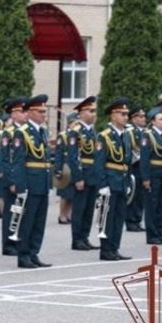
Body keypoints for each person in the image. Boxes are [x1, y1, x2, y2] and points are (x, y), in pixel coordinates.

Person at [10, 95, 53, 268]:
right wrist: (21, 186)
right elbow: (19, 161)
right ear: (29, 112)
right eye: (40, 111)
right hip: (30, 182)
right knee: (27, 221)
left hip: (41, 182)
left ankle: (34, 252)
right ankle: (24, 255)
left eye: (44, 111)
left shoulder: (42, 131)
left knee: (39, 222)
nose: (44, 114)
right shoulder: (22, 132)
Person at [95, 98, 134, 261]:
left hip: (122, 180)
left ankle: (114, 248)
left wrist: (128, 182)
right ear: (113, 115)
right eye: (122, 114)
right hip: (110, 180)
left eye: (127, 114)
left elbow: (127, 160)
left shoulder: (125, 135)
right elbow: (99, 163)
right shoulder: (104, 136)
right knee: (107, 217)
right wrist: (103, 185)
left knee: (119, 217)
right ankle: (105, 250)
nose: (126, 117)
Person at [67, 96, 101, 251]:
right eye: (90, 111)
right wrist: (78, 177)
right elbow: (74, 157)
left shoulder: (92, 131)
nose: (93, 114)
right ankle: (77, 239)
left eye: (94, 111)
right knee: (80, 208)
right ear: (81, 113)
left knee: (89, 209)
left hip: (93, 174)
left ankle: (85, 237)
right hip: (83, 173)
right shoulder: (76, 132)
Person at [0, 97, 28, 256]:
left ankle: (19, 240)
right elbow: (4, 159)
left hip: (24, 177)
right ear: (14, 114)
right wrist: (11, 180)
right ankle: (9, 244)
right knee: (12, 211)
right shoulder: (8, 133)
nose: (25, 115)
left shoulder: (26, 132)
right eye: (22, 112)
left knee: (22, 211)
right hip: (12, 178)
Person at [140, 106, 162, 245]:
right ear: (153, 121)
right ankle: (152, 235)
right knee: (152, 205)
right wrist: (145, 177)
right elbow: (144, 158)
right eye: (161, 119)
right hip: (153, 173)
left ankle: (159, 232)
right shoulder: (148, 135)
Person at [54, 111, 79, 225]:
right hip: (65, 167)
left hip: (75, 167)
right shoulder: (63, 135)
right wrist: (58, 169)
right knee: (65, 194)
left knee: (73, 194)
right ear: (69, 124)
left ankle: (69, 215)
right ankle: (61, 215)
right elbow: (59, 154)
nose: (77, 125)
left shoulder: (80, 135)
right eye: (75, 123)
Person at [125, 105, 146, 232]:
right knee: (133, 193)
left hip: (143, 166)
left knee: (141, 195)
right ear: (133, 118)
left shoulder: (144, 131)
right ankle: (130, 221)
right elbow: (131, 150)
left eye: (144, 116)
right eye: (141, 116)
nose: (144, 119)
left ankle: (137, 220)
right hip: (134, 165)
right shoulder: (130, 131)